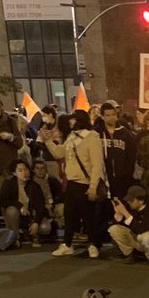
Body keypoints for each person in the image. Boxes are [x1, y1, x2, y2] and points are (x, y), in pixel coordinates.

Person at [39, 109, 106, 258]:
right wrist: (48, 141)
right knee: (69, 215)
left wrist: (93, 186)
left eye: (73, 119)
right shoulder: (71, 137)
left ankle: (93, 244)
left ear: (79, 120)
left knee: (88, 216)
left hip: (85, 183)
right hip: (71, 182)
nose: (70, 122)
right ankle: (67, 244)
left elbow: (97, 164)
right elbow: (59, 153)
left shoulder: (92, 137)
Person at [0, 158, 49, 246]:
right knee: (11, 210)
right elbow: (3, 201)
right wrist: (19, 206)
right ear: (14, 173)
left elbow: (41, 207)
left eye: (26, 169)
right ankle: (15, 237)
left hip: (30, 216)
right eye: (20, 170)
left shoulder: (34, 186)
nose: (24, 173)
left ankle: (31, 234)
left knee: (45, 228)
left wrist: (36, 222)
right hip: (15, 216)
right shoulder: (8, 184)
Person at [109, 185, 149, 263]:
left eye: (132, 200)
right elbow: (121, 225)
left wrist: (126, 213)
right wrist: (119, 214)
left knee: (147, 236)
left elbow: (141, 229)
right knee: (114, 229)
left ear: (141, 201)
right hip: (134, 238)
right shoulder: (129, 207)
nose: (129, 202)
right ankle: (130, 255)